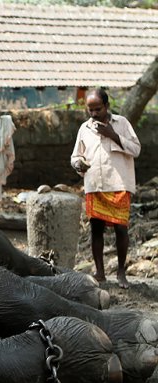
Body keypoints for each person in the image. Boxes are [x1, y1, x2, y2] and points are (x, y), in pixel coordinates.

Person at [71, 88, 140, 289]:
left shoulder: (122, 123)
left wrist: (113, 135)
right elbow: (76, 156)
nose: (93, 114)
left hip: (119, 184)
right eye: (90, 110)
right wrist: (78, 164)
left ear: (107, 106)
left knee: (120, 228)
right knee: (96, 229)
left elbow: (136, 149)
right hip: (95, 185)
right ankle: (100, 273)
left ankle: (121, 272)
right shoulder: (84, 128)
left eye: (98, 109)